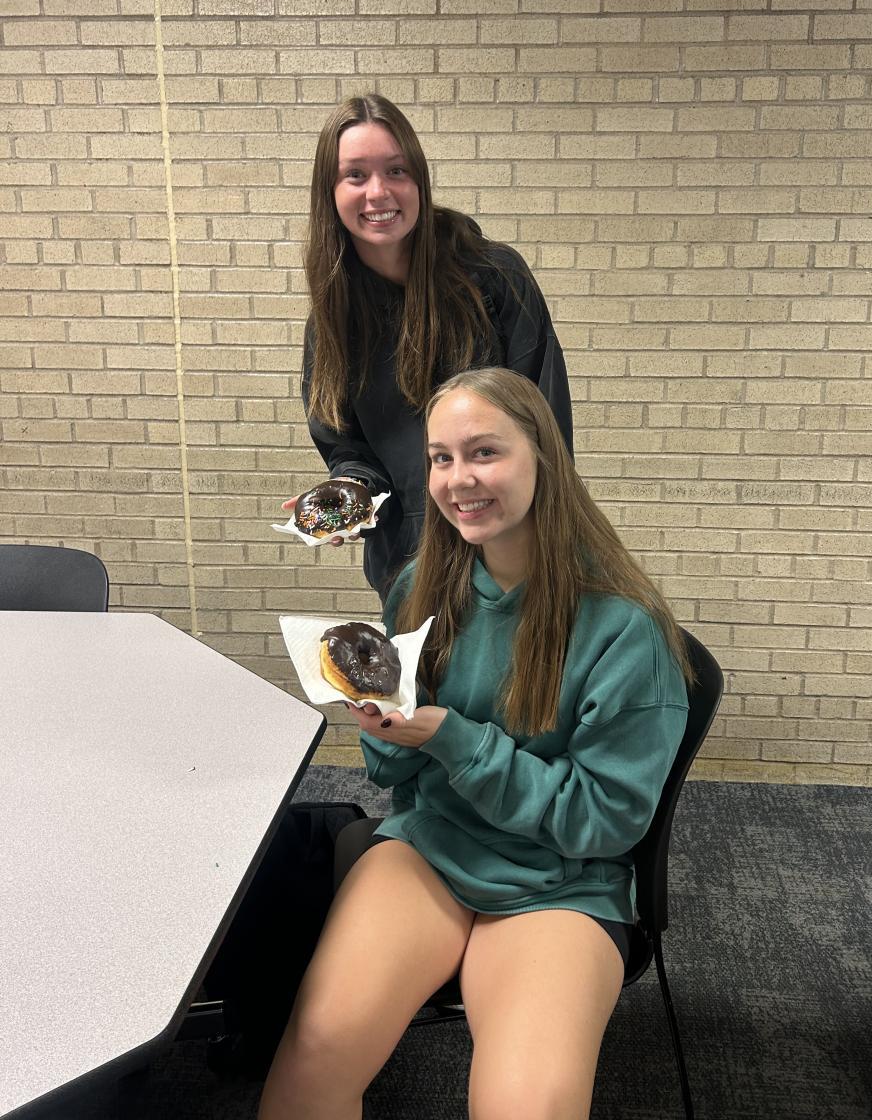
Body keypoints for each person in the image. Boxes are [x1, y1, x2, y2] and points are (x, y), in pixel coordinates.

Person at [259, 368, 690, 1120]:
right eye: (441, 458)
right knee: (318, 1050)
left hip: (559, 880)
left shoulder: (624, 630)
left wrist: (456, 740)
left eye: (484, 452)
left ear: (542, 458)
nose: (459, 480)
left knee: (524, 1106)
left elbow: (606, 822)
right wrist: (389, 729)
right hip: (432, 845)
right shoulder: (421, 586)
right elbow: (395, 774)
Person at [288, 93, 572, 602]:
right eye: (356, 175)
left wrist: (540, 554)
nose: (379, 192)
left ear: (419, 179)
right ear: (329, 192)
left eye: (396, 170)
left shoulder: (494, 279)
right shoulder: (332, 320)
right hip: (407, 570)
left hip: (511, 563)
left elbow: (546, 428)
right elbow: (349, 449)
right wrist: (349, 496)